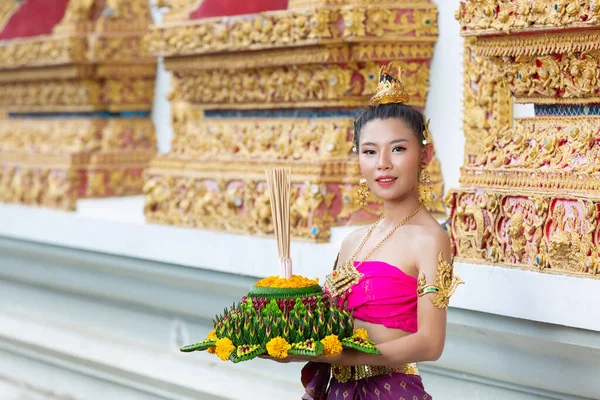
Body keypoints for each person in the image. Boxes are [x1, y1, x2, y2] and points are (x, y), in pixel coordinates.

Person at [272, 63, 463, 400]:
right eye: (370, 151)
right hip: (339, 392)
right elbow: (332, 333)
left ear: (425, 155)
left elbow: (431, 343)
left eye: (398, 149)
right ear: (358, 157)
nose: (383, 163)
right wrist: (289, 342)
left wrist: (343, 356)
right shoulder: (351, 242)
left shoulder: (430, 239)